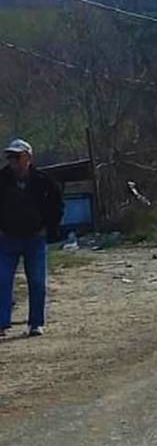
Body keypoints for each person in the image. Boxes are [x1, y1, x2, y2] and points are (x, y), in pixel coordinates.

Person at [0, 139, 63, 338]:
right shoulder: (1, 179)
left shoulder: (43, 181)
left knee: (37, 281)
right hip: (7, 238)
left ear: (27, 157)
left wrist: (48, 228)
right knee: (2, 279)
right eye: (10, 157)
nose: (12, 161)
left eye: (16, 157)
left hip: (35, 238)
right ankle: (2, 323)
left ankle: (36, 323)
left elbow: (57, 206)